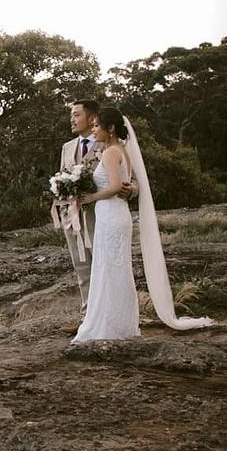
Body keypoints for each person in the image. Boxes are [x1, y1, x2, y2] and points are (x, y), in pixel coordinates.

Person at [71, 107, 214, 343]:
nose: (93, 130)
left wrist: (91, 197)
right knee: (115, 269)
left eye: (97, 126)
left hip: (111, 215)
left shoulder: (110, 153)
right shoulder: (121, 151)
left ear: (111, 128)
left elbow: (117, 186)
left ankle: (108, 326)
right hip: (117, 215)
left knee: (109, 269)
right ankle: (120, 324)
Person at [59, 100, 133, 331]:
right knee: (81, 267)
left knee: (104, 266)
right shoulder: (67, 147)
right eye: (71, 115)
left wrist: (131, 190)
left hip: (101, 215)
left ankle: (107, 316)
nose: (72, 119)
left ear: (92, 118)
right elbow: (62, 177)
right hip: (73, 217)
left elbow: (132, 179)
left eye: (76, 114)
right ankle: (88, 316)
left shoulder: (111, 147)